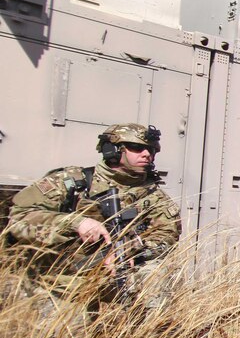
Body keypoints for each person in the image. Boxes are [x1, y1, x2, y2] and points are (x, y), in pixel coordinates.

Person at [5, 123, 181, 317]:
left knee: (158, 276)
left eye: (152, 149)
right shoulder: (71, 181)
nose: (147, 154)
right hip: (57, 281)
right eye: (137, 148)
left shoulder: (155, 198)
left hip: (114, 276)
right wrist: (75, 223)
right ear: (112, 149)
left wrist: (133, 251)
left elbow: (166, 237)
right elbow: (20, 216)